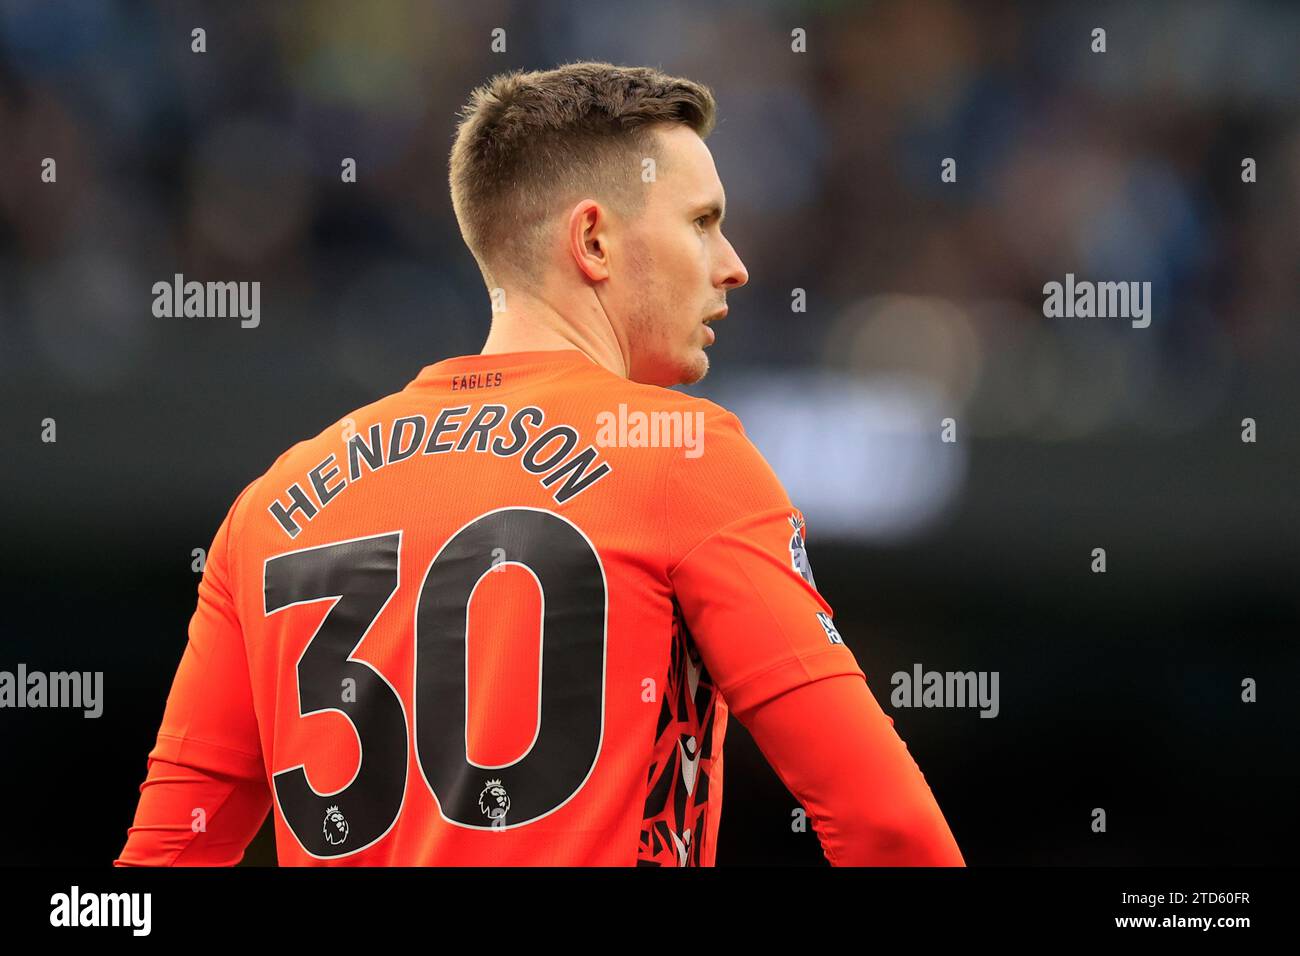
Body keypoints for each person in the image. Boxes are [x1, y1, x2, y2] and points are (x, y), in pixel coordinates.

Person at [115, 61, 965, 867]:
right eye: (702, 222)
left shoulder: (271, 504)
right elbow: (887, 828)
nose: (732, 265)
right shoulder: (681, 454)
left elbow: (158, 866)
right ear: (592, 240)